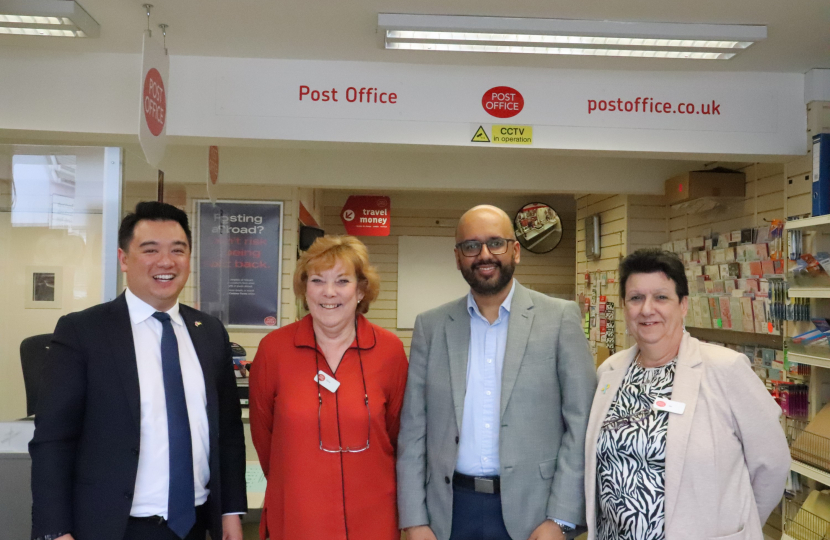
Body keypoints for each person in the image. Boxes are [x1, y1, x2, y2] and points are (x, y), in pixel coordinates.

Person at [29, 201, 247, 540]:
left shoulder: (209, 332)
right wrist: (55, 530)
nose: (166, 261)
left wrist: (231, 511)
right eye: (150, 250)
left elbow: (229, 433)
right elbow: (53, 441)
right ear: (124, 259)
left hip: (196, 525)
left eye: (178, 250)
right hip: (113, 527)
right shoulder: (83, 332)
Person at [397, 205, 597, 540]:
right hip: (448, 515)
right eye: (471, 246)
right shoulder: (431, 327)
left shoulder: (559, 319)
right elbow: (413, 429)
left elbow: (582, 425)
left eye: (496, 243)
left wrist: (561, 519)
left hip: (534, 517)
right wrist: (414, 521)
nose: (484, 255)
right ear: (458, 256)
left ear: (515, 251)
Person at [584, 248, 790, 540]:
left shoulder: (725, 369)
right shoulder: (609, 372)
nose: (647, 309)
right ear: (624, 306)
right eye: (636, 298)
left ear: (683, 305)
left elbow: (772, 464)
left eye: (661, 297)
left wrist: (739, 526)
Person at [249, 235, 409, 540]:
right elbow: (265, 438)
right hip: (298, 517)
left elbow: (397, 436)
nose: (329, 292)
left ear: (361, 290)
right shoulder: (274, 350)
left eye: (343, 281)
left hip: (373, 520)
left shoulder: (389, 351)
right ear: (304, 289)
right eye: (318, 280)